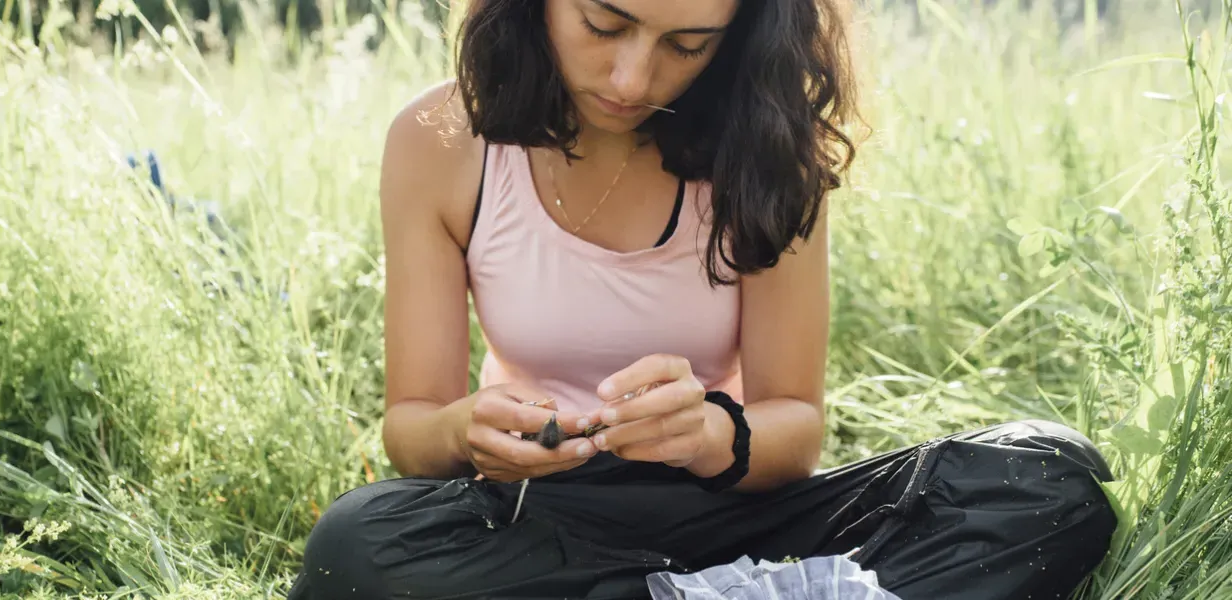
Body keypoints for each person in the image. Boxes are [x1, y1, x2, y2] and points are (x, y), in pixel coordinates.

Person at [287, 0, 1119, 598]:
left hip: (732, 513)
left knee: (1048, 477)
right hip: (537, 520)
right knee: (353, 547)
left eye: (687, 44)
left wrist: (714, 432)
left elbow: (794, 425)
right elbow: (411, 427)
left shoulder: (771, 149)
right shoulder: (442, 141)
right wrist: (463, 432)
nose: (630, 76)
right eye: (603, 24)